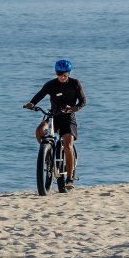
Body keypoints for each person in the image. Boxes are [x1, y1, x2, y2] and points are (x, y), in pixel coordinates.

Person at [23, 59, 87, 191]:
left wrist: (73, 109)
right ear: (55, 72)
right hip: (53, 116)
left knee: (68, 145)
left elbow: (82, 102)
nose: (62, 77)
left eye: (65, 74)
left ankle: (69, 178)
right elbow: (38, 96)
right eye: (59, 74)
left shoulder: (75, 84)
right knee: (40, 130)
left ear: (69, 73)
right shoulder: (50, 85)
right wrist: (31, 104)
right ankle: (46, 153)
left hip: (68, 118)